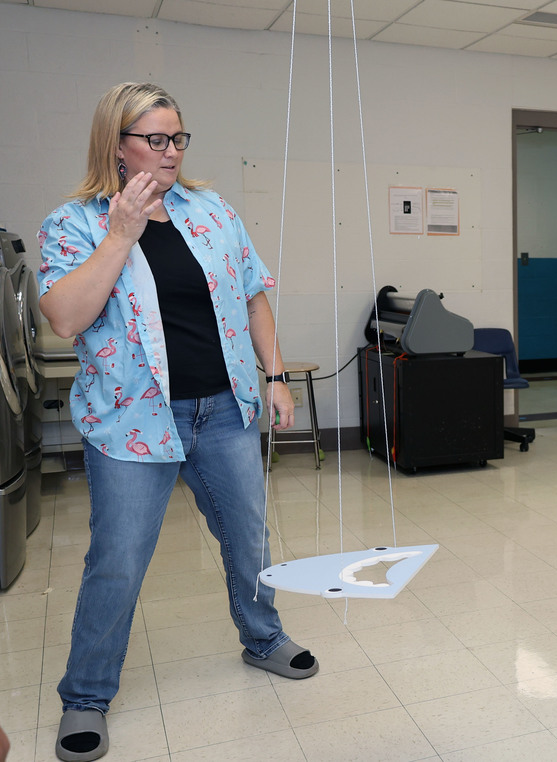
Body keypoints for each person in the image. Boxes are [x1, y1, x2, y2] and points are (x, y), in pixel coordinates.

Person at [38, 82, 318, 762]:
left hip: (222, 410)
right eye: (155, 139)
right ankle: (86, 695)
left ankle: (263, 638)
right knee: (118, 562)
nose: (170, 152)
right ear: (118, 145)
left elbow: (253, 298)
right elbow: (66, 317)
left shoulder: (210, 210)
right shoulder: (74, 223)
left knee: (247, 538)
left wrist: (275, 377)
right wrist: (120, 236)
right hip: (133, 424)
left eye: (178, 137)